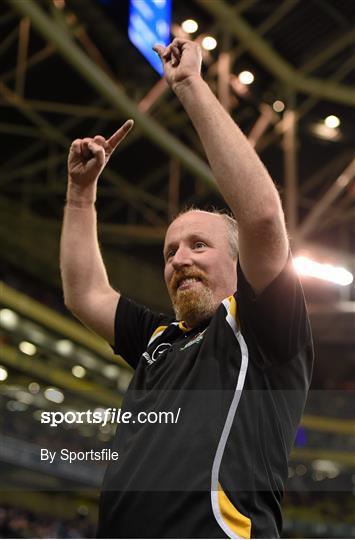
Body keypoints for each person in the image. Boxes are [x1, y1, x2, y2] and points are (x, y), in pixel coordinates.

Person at [60, 38, 313, 539]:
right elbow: (85, 293)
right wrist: (80, 196)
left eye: (199, 244)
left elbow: (261, 216)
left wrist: (190, 86)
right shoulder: (160, 339)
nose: (179, 259)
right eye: (170, 251)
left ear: (237, 262)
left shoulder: (264, 329)